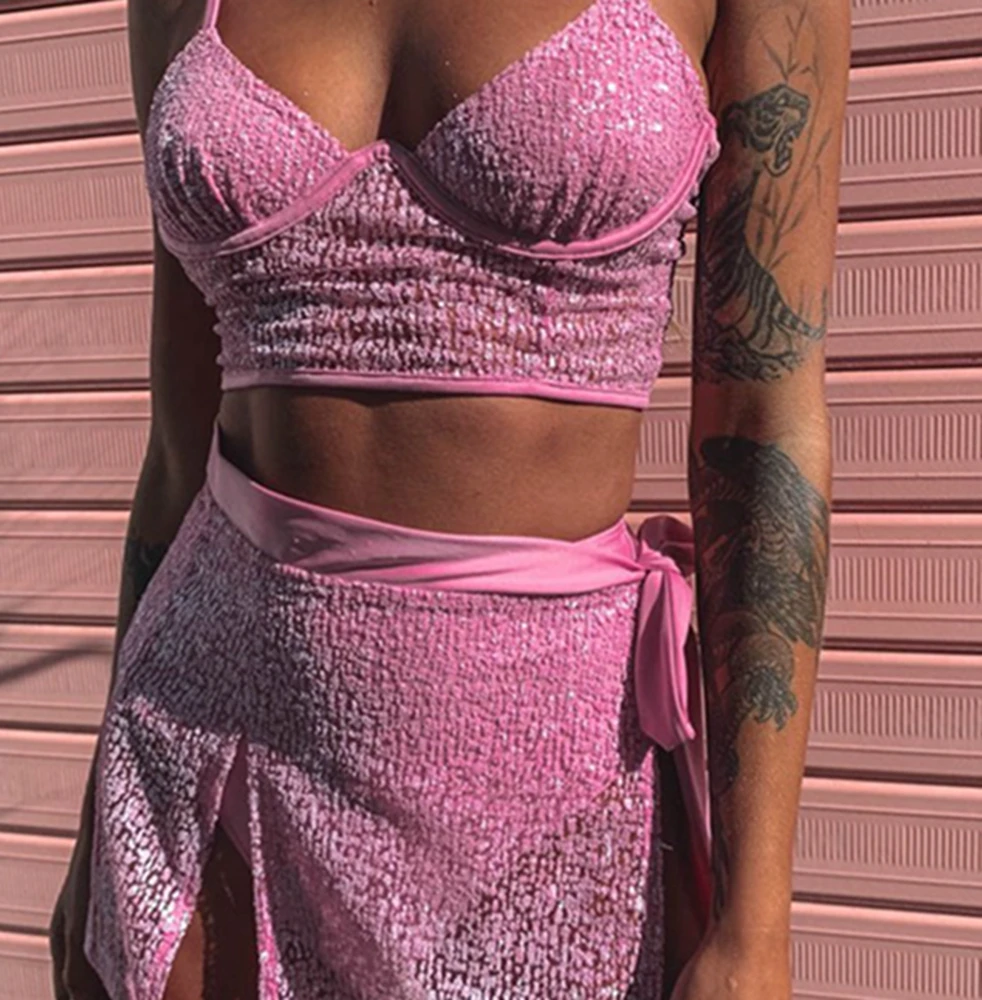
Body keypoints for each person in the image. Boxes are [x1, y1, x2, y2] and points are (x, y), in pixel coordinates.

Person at [49, 0, 849, 996]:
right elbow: (179, 448)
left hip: (551, 770)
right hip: (208, 733)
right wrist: (100, 801)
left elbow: (764, 429)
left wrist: (754, 922)